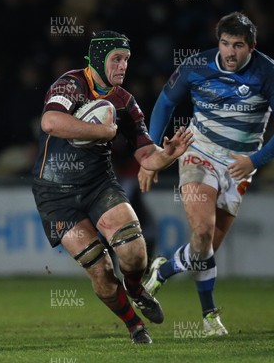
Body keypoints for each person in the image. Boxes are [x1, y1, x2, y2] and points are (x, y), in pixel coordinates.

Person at [138, 12, 274, 335]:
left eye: (238, 45)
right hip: (199, 153)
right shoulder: (196, 66)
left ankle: (164, 269)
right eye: (225, 43)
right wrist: (154, 153)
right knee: (201, 231)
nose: (230, 52)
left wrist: (255, 161)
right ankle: (210, 316)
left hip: (239, 166)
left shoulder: (267, 72)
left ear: (251, 47)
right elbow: (164, 103)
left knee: (205, 248)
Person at [31, 31, 193, 344]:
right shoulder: (70, 84)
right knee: (101, 269)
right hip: (55, 192)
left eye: (126, 60)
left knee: (134, 253)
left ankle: (136, 288)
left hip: (98, 184)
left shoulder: (124, 102)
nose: (122, 66)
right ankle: (135, 326)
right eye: (116, 59)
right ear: (97, 60)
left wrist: (167, 155)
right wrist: (100, 131)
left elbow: (147, 155)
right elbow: (50, 122)